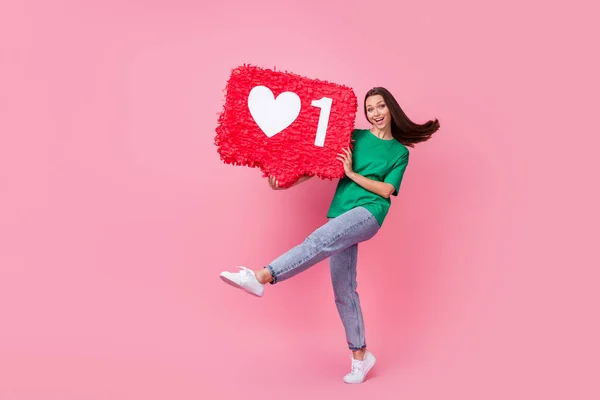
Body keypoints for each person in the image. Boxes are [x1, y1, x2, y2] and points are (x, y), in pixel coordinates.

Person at [219, 87, 440, 384]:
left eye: (380, 107)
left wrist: (352, 174)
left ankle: (262, 276)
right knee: (344, 291)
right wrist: (286, 183)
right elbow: (323, 165)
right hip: (340, 213)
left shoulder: (399, 152)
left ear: (391, 109)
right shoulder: (356, 137)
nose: (375, 113)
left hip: (369, 213)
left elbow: (387, 190)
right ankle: (361, 355)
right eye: (370, 108)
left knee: (318, 242)